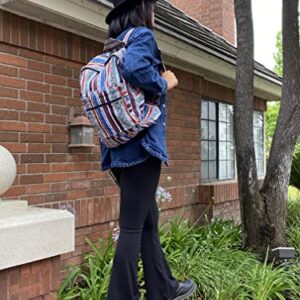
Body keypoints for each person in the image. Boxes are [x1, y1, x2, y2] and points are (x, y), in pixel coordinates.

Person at [101, 0, 197, 299]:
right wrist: (164, 82)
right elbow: (136, 69)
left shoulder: (112, 45)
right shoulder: (141, 36)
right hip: (140, 147)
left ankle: (163, 288)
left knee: (147, 221)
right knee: (131, 227)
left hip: (118, 148)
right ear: (142, 7)